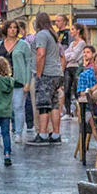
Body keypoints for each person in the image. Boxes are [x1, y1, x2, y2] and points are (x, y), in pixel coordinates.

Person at [31, 12, 65, 144]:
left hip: (46, 74)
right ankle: (56, 134)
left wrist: (39, 73)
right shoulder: (52, 34)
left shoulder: (41, 35)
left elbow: (41, 54)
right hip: (56, 73)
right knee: (55, 105)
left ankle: (43, 134)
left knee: (43, 105)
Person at [8, 21, 33, 141]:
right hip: (3, 81)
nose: (12, 30)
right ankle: (2, 132)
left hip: (19, 80)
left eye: (15, 27)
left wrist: (27, 81)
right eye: (10, 27)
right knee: (3, 108)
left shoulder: (23, 45)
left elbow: (28, 63)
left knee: (18, 107)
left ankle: (18, 133)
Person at [63, 25, 88, 104]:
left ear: (78, 31)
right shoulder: (71, 44)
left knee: (76, 88)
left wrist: (68, 56)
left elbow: (74, 56)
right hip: (68, 67)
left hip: (76, 67)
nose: (71, 31)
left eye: (73, 29)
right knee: (66, 89)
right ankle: (68, 108)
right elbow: (64, 54)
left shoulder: (82, 43)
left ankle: (78, 106)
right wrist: (69, 55)